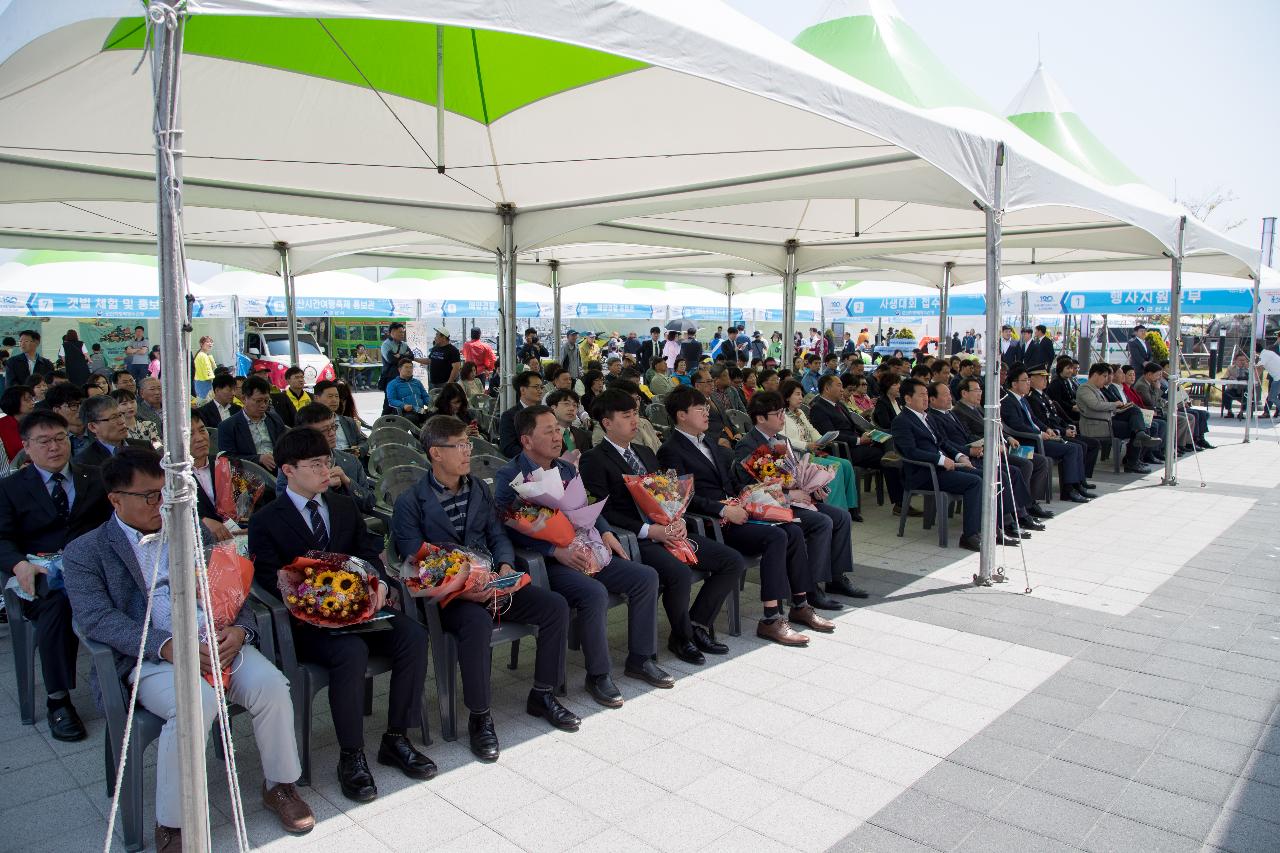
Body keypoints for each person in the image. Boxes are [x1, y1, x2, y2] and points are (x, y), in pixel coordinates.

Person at [64, 448, 314, 850]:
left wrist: (240, 631)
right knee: (195, 703)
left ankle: (280, 786)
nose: (162, 504)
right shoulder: (85, 551)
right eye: (149, 496)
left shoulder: (190, 530)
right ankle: (173, 824)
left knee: (272, 686)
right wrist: (166, 647)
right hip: (151, 657)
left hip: (216, 640)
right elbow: (96, 619)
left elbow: (230, 587)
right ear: (115, 499)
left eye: (167, 492)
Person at [249, 427, 433, 802]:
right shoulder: (266, 519)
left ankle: (396, 737)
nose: (324, 470)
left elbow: (368, 553)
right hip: (310, 623)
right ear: (288, 470)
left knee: (414, 635)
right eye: (314, 464)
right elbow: (267, 579)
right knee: (350, 654)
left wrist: (379, 581)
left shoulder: (342, 505)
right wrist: (313, 598)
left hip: (360, 611)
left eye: (326, 462)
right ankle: (351, 756)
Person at [392, 415, 579, 758]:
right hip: (449, 596)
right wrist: (463, 576)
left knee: (554, 607)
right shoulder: (410, 502)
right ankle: (480, 717)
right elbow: (413, 556)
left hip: (493, 583)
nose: (468, 452)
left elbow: (496, 534)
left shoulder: (477, 487)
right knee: (476, 623)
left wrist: (505, 563)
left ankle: (543, 694)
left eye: (468, 444)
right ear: (436, 453)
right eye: (460, 446)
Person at [494, 406, 669, 707]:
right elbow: (507, 528)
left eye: (558, 429)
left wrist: (605, 532)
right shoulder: (509, 476)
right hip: (548, 563)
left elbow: (587, 506)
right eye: (547, 431)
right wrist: (554, 550)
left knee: (646, 577)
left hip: (584, 548)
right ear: (525, 441)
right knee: (594, 593)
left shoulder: (566, 468)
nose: (557, 436)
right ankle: (598, 675)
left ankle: (641, 658)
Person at [580, 389, 746, 663]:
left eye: (635, 414)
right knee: (678, 573)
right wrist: (648, 531)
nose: (635, 420)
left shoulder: (646, 452)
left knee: (731, 561)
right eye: (626, 416)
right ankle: (681, 639)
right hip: (637, 539)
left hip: (668, 530)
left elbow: (667, 494)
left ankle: (696, 624)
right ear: (607, 423)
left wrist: (678, 518)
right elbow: (602, 510)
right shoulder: (594, 459)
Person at [656, 385, 826, 645]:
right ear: (681, 415)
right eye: (700, 408)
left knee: (792, 528)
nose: (707, 413)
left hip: (737, 510)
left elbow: (729, 483)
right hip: (715, 521)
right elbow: (682, 499)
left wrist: (753, 493)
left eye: (706, 407)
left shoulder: (708, 441)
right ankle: (771, 618)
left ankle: (800, 603)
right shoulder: (670, 450)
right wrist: (724, 509)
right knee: (775, 537)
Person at [0, 409, 113, 742]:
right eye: (44, 441)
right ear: (27, 446)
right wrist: (18, 564)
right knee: (56, 603)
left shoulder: (95, 476)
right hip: (39, 574)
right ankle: (58, 700)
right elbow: (1, 538)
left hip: (95, 570)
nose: (54, 447)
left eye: (60, 438)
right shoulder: (10, 488)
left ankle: (131, 677)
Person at [735, 390, 862, 607]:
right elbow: (747, 489)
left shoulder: (782, 440)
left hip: (795, 500)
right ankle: (809, 588)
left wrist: (813, 488)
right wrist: (788, 494)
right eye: (777, 413)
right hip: (771, 507)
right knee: (822, 522)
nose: (782, 418)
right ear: (760, 418)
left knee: (841, 517)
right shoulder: (747, 445)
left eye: (782, 412)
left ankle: (836, 576)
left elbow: (795, 474)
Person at [926, 381, 1038, 543]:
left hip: (973, 454)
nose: (950, 397)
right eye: (945, 395)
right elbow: (945, 444)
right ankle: (1003, 524)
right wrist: (967, 451)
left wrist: (981, 444)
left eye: (949, 393)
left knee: (1013, 471)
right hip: (960, 459)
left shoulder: (950, 413)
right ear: (932, 400)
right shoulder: (933, 417)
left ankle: (1018, 515)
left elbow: (967, 435)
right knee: (1000, 477)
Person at [890, 378, 984, 551]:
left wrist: (960, 456)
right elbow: (910, 452)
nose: (926, 398)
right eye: (921, 395)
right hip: (924, 473)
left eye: (926, 394)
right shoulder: (902, 421)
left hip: (941, 468)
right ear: (908, 399)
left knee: (983, 475)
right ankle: (969, 535)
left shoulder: (927, 417)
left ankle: (986, 528)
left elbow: (943, 443)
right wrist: (940, 460)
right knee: (975, 482)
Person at [1005, 367, 1097, 498]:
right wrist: (1039, 433)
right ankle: (1068, 491)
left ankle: (1076, 485)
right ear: (1014, 384)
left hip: (1039, 437)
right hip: (1029, 441)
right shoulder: (1009, 401)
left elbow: (1034, 419)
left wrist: (1046, 428)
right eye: (1025, 380)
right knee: (1071, 449)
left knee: (1076, 447)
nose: (1028, 383)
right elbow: (1017, 425)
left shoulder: (1022, 399)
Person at [779, 378, 861, 517]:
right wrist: (807, 445)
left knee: (846, 464)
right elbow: (783, 439)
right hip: (798, 459)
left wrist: (821, 440)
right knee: (835, 467)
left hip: (810, 452)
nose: (801, 398)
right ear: (787, 396)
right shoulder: (781, 415)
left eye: (801, 394)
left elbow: (811, 430)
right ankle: (836, 509)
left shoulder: (800, 413)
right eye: (797, 394)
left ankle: (852, 507)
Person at [274, 403, 376, 513]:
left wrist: (347, 482)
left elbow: (369, 502)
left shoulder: (351, 461)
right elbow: (284, 504)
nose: (332, 433)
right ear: (304, 433)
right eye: (324, 430)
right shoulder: (294, 465)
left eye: (333, 427)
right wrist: (323, 488)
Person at [218, 375, 287, 471]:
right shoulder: (228, 426)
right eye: (258, 401)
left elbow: (286, 446)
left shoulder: (274, 419)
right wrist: (259, 458)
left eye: (266, 400)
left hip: (279, 468)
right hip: (249, 474)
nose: (263, 405)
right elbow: (227, 458)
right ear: (244, 399)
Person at [74, 395, 152, 467]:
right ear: (93, 427)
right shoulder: (84, 462)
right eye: (113, 418)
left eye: (120, 415)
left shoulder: (144, 447)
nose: (122, 421)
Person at [311, 379, 368, 457]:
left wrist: (359, 450)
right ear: (316, 398)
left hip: (352, 461)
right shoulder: (311, 424)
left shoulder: (348, 421)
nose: (335, 400)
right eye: (330, 396)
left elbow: (364, 441)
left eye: (337, 396)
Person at [497, 371, 546, 458]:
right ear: (523, 390)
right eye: (536, 387)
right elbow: (508, 448)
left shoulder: (545, 413)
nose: (540, 391)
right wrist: (535, 457)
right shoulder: (509, 416)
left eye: (541, 387)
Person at [385, 357, 431, 425]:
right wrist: (403, 405)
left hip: (420, 410)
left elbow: (425, 396)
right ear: (399, 369)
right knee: (412, 419)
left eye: (411, 367)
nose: (409, 370)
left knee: (435, 416)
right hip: (405, 412)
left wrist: (430, 404)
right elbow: (391, 400)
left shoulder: (417, 382)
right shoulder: (393, 384)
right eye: (406, 367)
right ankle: (419, 435)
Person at [547, 388, 592, 454]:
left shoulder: (582, 435)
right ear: (553, 407)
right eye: (566, 404)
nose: (572, 409)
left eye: (575, 405)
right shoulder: (546, 435)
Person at [0, 384, 34, 459]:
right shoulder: (2, 426)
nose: (32, 402)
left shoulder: (36, 422)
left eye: (32, 399)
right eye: (27, 400)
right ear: (14, 402)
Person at [1220, 352, 1252, 418]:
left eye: (1244, 360)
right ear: (1236, 361)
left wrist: (1248, 369)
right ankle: (1229, 411)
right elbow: (1225, 377)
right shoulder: (1230, 368)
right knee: (1226, 393)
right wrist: (1229, 378)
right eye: (1240, 360)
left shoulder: (1249, 368)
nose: (1242, 362)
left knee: (1247, 394)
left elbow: (1253, 378)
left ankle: (1241, 412)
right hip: (1233, 388)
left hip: (1244, 389)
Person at [193, 335, 217, 400]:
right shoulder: (203, 356)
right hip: (204, 384)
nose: (210, 343)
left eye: (211, 342)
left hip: (200, 383)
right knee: (205, 404)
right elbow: (209, 374)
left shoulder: (203, 354)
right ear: (201, 344)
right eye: (207, 342)